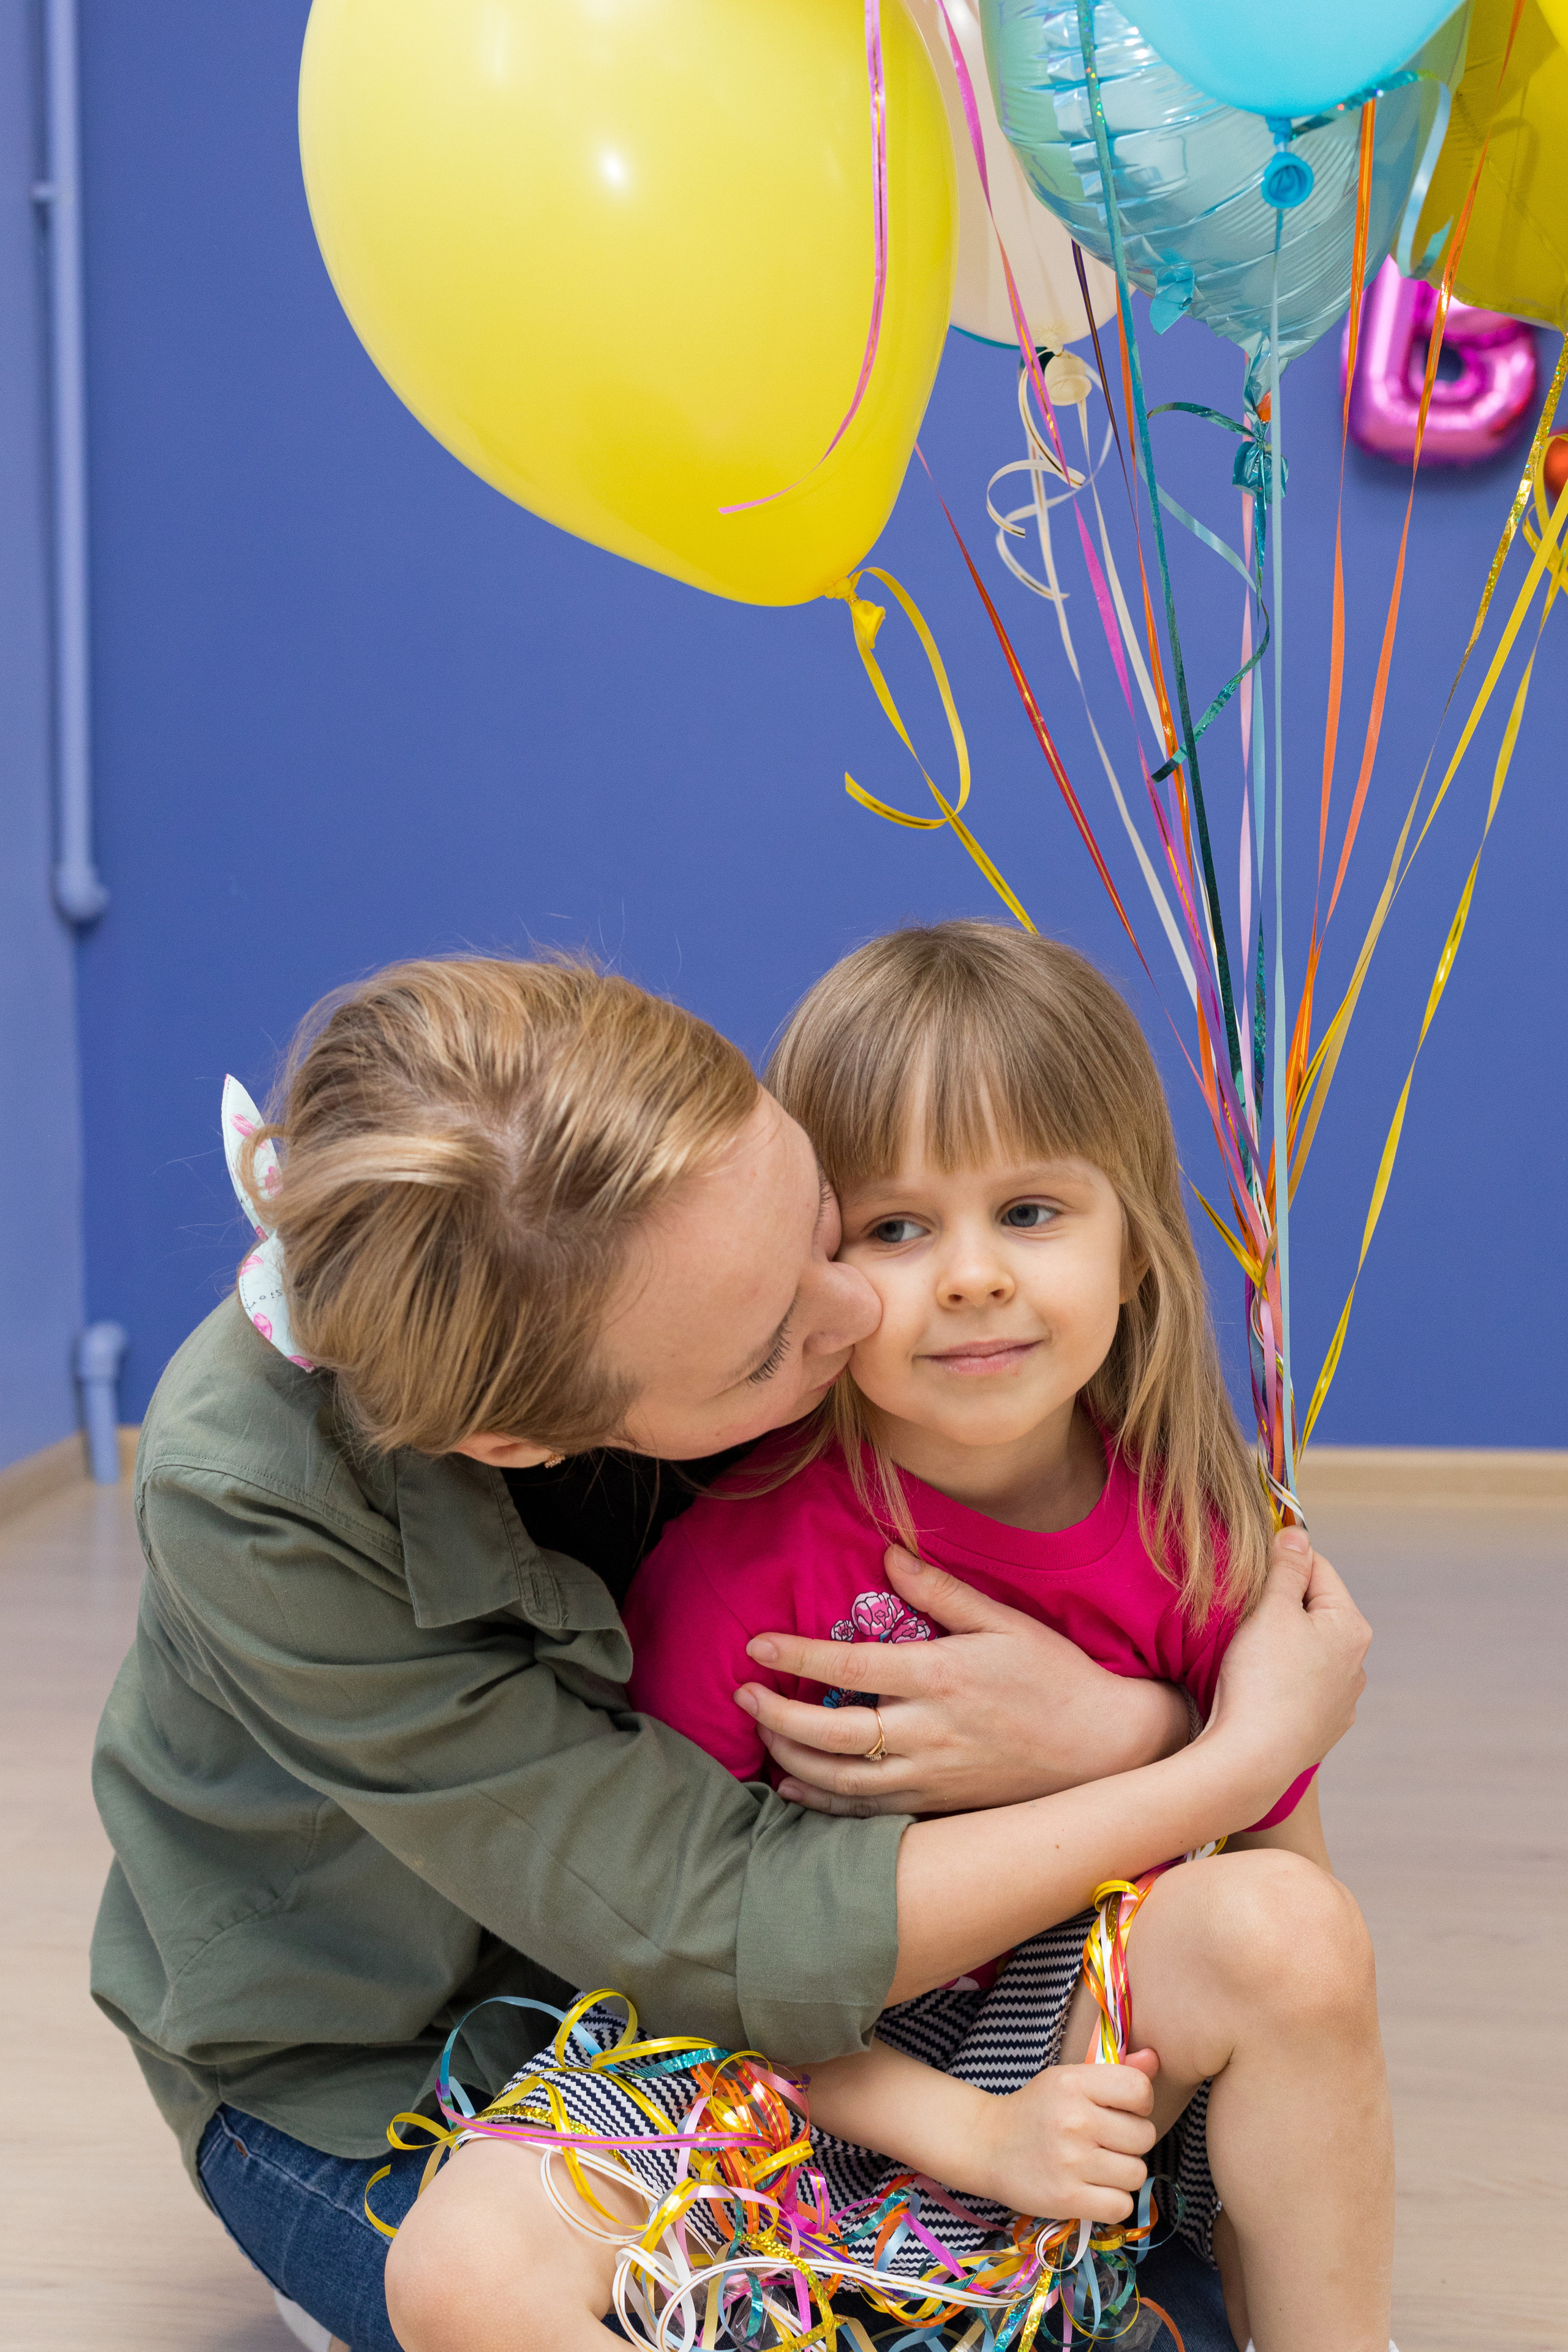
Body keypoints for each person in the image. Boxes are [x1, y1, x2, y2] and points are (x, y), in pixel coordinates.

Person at [90, 954, 1371, 2352]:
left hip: (884, 2002)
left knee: (1125, 2229)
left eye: (822, 1224)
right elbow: (702, 1949)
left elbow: (1283, 1939)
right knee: (523, 2284)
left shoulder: (668, 1232)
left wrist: (1117, 1731)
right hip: (428, 2064)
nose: (866, 1312)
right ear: (529, 1438)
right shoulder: (252, 1498)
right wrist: (1224, 1754)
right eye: (772, 1346)